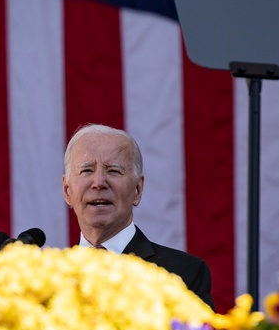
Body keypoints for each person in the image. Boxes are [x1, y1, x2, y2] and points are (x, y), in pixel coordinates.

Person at [62, 124, 215, 309]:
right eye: (87, 170)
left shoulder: (182, 275)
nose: (99, 182)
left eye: (113, 171)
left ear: (137, 189)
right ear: (67, 190)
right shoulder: (48, 278)